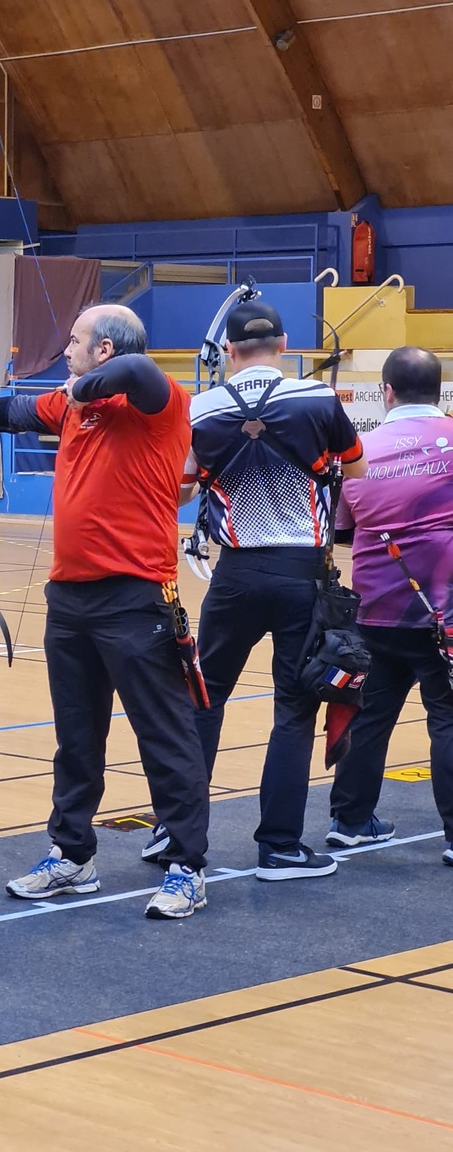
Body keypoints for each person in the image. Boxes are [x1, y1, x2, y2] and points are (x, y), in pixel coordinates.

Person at [0, 303, 210, 919]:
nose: (66, 352)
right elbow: (14, 412)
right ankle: (72, 854)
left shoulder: (158, 402)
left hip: (135, 597)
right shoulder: (73, 405)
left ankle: (187, 866)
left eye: (76, 342)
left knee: (164, 734)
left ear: (104, 350)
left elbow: (138, 369)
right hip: (70, 597)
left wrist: (80, 390)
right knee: (76, 737)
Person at [179, 297, 367, 880]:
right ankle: (280, 847)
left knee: (204, 700)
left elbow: (183, 489)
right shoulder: (318, 398)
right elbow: (355, 469)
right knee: (294, 710)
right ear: (284, 345)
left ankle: (175, 834)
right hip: (300, 575)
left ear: (228, 350)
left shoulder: (200, 407)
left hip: (234, 575)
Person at [327, 347, 453, 859]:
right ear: (440, 391)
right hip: (444, 614)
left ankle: (350, 821)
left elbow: (341, 530)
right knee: (448, 718)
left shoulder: (356, 453)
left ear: (387, 392)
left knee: (369, 715)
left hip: (376, 609)